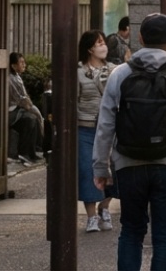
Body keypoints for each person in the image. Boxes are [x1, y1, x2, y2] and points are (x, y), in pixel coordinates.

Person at [93, 13, 166, 271]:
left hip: (128, 163)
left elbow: (105, 125)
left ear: (141, 38)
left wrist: (101, 167)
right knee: (164, 236)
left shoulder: (120, 74)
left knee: (131, 231)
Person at [77, 30, 117, 233]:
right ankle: (91, 216)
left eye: (104, 43)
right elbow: (73, 101)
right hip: (85, 128)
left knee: (111, 170)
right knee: (87, 171)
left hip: (109, 130)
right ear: (89, 48)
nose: (103, 46)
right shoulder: (79, 72)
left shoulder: (114, 70)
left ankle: (105, 207)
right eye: (99, 43)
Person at [7, 52, 43, 165]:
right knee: (30, 119)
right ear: (13, 65)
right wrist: (30, 107)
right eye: (21, 63)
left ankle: (32, 152)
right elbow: (21, 99)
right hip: (10, 111)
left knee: (34, 119)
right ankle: (23, 153)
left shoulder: (16, 76)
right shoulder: (10, 79)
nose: (24, 65)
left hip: (17, 108)